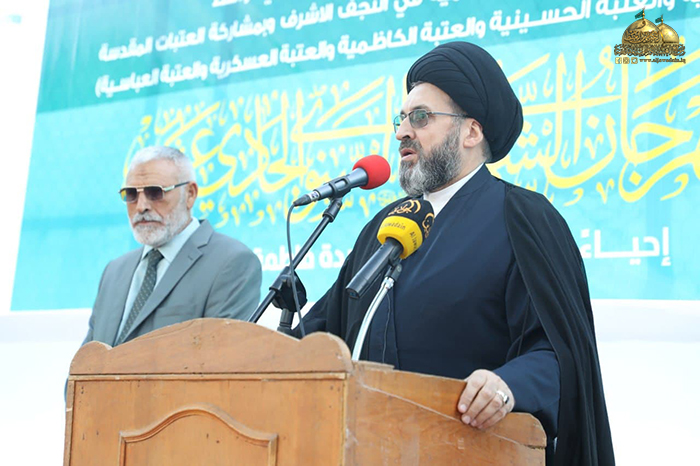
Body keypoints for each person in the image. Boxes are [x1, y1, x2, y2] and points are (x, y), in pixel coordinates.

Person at [296, 42, 614, 465]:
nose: (402, 132)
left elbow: (560, 354)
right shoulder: (385, 227)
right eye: (401, 119)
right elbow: (322, 334)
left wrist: (507, 385)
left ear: (471, 132)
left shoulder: (521, 218)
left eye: (420, 117)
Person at [82, 146, 262, 347]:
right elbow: (87, 359)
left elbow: (219, 358)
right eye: (131, 194)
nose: (141, 206)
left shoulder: (232, 263)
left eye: (155, 192)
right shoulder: (114, 271)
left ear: (190, 194)